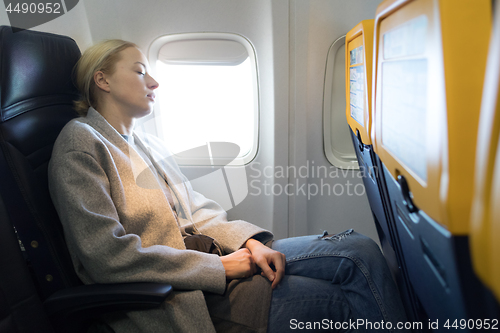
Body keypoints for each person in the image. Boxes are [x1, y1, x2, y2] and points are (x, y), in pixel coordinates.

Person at [48, 39, 407, 333]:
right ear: (103, 81)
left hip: (209, 263)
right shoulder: (81, 143)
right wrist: (219, 269)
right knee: (339, 301)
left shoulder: (145, 141)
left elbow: (197, 211)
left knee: (359, 251)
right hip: (177, 295)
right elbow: (107, 258)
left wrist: (250, 243)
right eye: (141, 72)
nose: (154, 83)